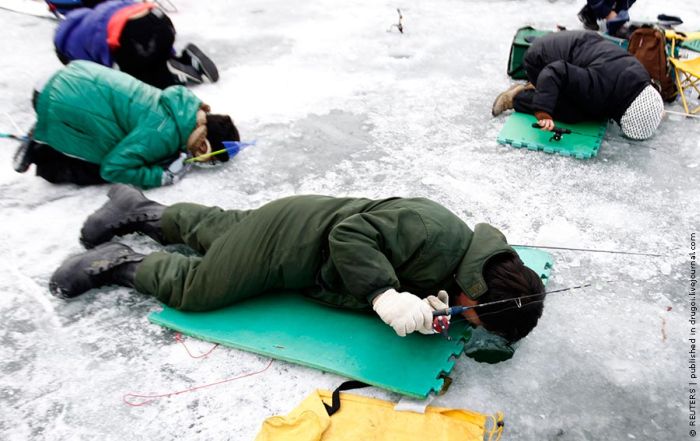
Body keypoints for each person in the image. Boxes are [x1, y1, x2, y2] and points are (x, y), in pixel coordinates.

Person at [50, 185, 547, 343]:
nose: (466, 321)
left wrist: (425, 297)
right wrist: (385, 295)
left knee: (216, 229)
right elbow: (349, 235)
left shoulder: (457, 260)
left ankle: (140, 210)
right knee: (198, 288)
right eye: (473, 316)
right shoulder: (434, 231)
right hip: (292, 244)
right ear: (478, 290)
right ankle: (118, 261)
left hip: (299, 222)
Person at [12, 61, 239, 188]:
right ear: (204, 146)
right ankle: (42, 154)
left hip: (68, 78)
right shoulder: (164, 133)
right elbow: (113, 168)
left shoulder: (182, 108)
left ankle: (47, 135)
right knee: (105, 169)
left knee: (124, 137)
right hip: (55, 101)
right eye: (209, 160)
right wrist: (161, 176)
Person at [491, 30, 664, 141]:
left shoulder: (638, 77)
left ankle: (539, 87)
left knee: (596, 110)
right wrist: (543, 111)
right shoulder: (599, 87)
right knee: (574, 113)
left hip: (571, 48)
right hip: (540, 60)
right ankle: (517, 97)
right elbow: (555, 71)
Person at [53, 0, 218, 88]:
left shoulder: (74, 46)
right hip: (157, 16)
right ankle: (186, 58)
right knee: (153, 54)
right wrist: (169, 52)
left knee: (141, 83)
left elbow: (105, 72)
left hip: (131, 31)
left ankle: (171, 74)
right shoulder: (91, 17)